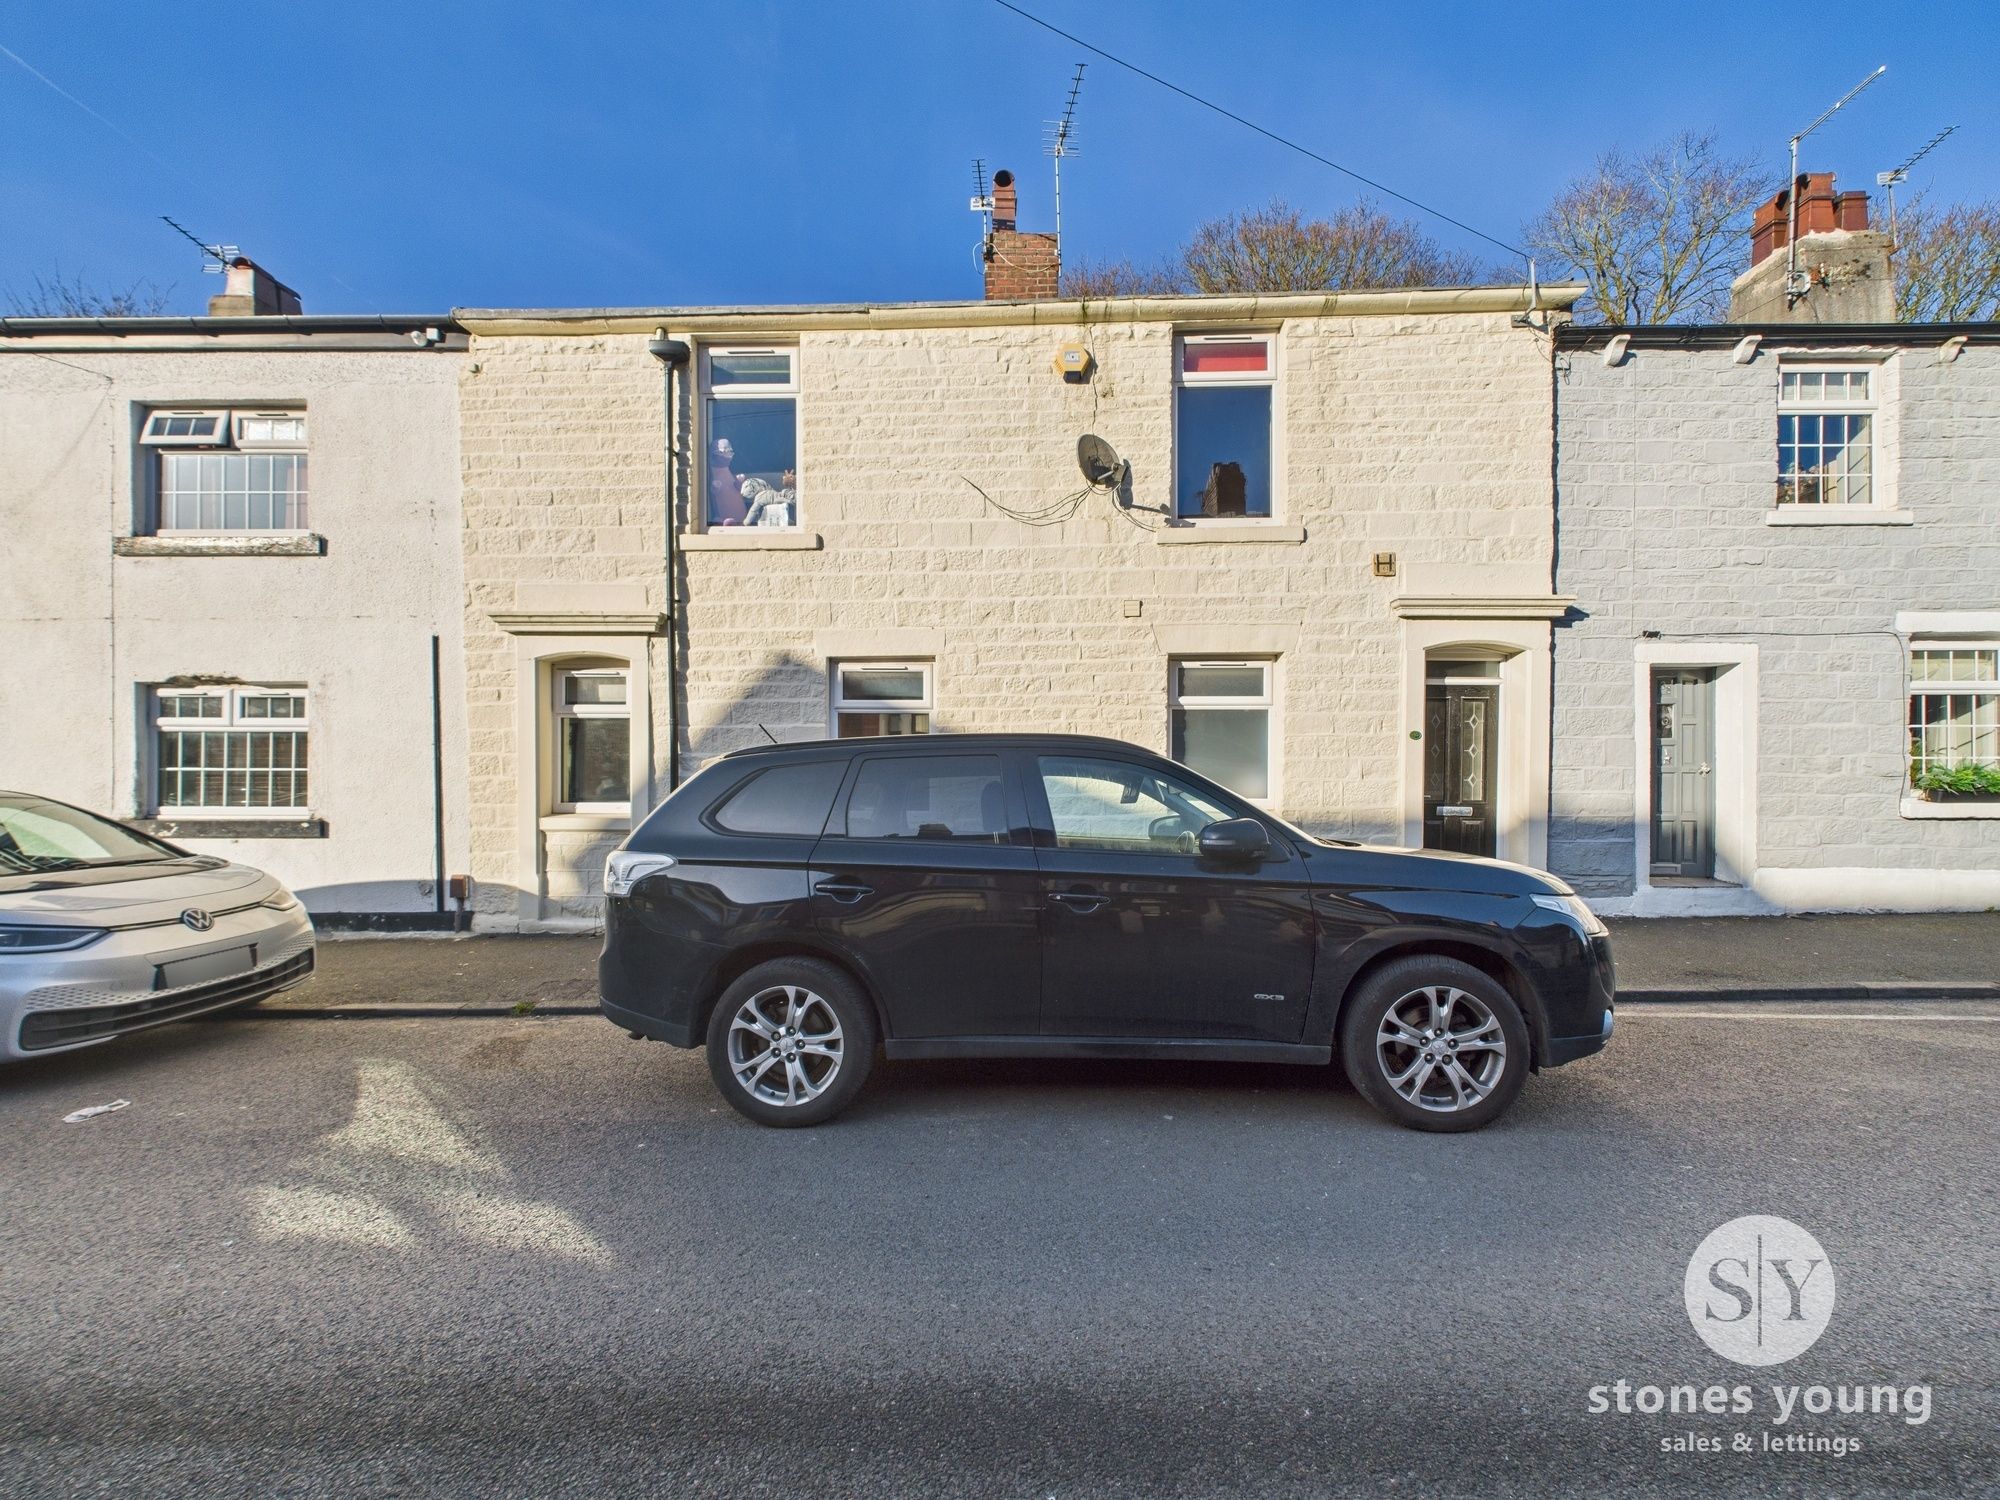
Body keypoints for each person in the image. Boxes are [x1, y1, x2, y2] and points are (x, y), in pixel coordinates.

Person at [708, 437, 748, 525]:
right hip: (724, 516)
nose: (729, 458)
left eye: (730, 454)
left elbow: (737, 488)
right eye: (725, 455)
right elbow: (713, 493)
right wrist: (715, 487)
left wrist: (739, 483)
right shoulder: (712, 474)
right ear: (714, 456)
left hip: (741, 517)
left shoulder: (728, 472)